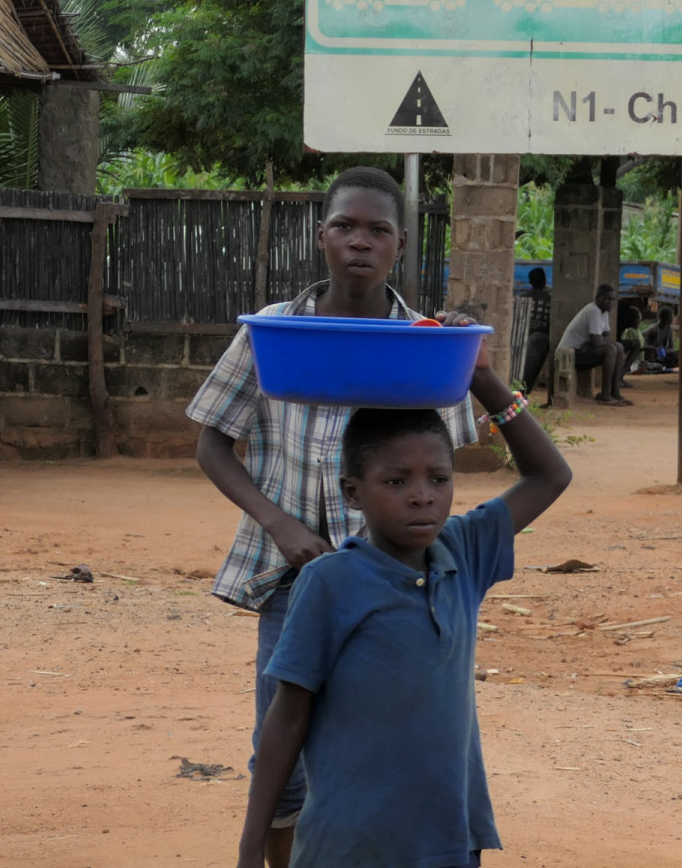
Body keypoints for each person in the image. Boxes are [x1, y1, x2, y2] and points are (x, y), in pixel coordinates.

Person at [188, 167, 483, 868]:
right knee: (281, 748)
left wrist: (467, 356)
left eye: (377, 230)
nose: (360, 241)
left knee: (374, 743)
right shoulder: (273, 333)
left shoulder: (425, 341)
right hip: (291, 581)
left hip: (393, 586)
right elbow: (210, 441)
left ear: (400, 244)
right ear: (322, 236)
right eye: (345, 226)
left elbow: (446, 456)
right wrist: (279, 524)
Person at [234, 351, 573, 868]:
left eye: (439, 479)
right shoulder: (330, 582)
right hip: (350, 847)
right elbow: (286, 718)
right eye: (396, 482)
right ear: (352, 492)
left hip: (447, 838)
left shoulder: (463, 552)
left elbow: (550, 475)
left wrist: (482, 377)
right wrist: (250, 846)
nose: (422, 497)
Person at [558, 284, 632, 406]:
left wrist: (595, 342)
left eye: (612, 300)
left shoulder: (604, 312)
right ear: (597, 298)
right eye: (606, 299)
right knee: (610, 350)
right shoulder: (593, 310)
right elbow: (597, 341)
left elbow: (605, 336)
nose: (610, 303)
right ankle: (605, 395)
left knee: (618, 347)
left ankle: (615, 392)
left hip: (584, 350)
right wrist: (595, 342)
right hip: (571, 354)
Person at [519, 267, 552, 395]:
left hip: (521, 340)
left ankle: (520, 391)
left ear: (530, 282)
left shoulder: (522, 299)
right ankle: (525, 392)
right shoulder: (549, 300)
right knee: (532, 370)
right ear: (544, 282)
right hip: (541, 341)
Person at [642, 305, 679, 370]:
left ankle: (665, 366)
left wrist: (665, 351)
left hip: (664, 353)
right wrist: (655, 350)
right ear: (667, 318)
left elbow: (671, 347)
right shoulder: (654, 329)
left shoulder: (669, 329)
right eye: (671, 317)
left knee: (681, 353)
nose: (673, 319)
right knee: (650, 353)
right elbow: (645, 344)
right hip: (654, 355)